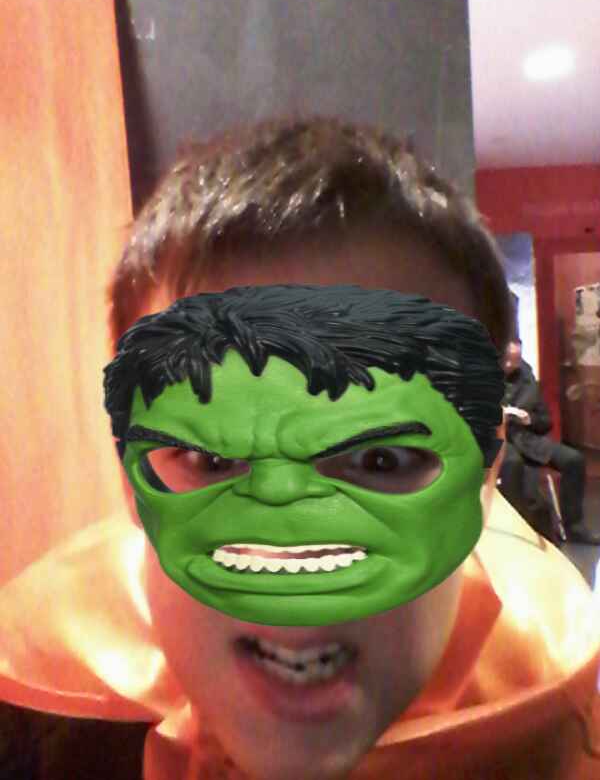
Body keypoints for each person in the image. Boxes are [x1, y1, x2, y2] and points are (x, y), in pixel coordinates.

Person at [0, 118, 599, 779]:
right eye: (212, 458)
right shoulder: (38, 713)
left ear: (484, 481)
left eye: (379, 460)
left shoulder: (555, 720)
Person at [500, 338, 600, 545]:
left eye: (515, 361)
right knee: (518, 472)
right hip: (502, 441)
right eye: (507, 360)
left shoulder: (527, 380)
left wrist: (529, 419)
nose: (510, 365)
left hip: (528, 440)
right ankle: (526, 535)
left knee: (574, 459)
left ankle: (575, 527)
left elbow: (545, 422)